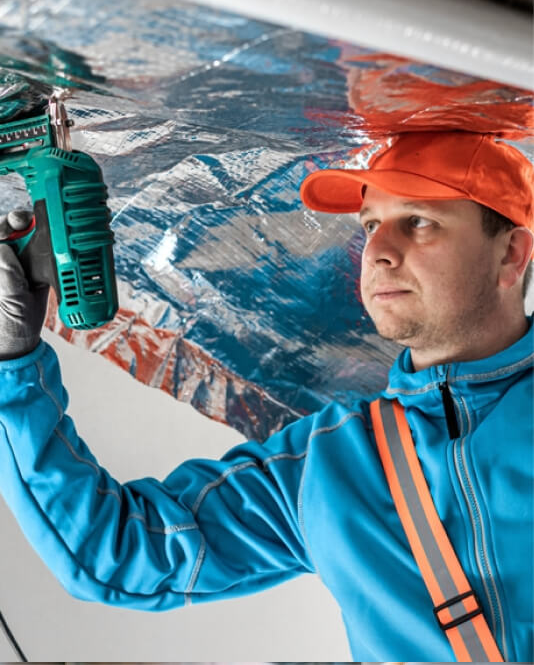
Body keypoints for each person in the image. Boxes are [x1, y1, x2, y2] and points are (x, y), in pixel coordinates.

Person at [0, 129, 532, 662]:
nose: (379, 251)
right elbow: (116, 554)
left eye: (419, 222)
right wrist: (11, 364)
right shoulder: (330, 462)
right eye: (371, 224)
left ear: (511, 253)